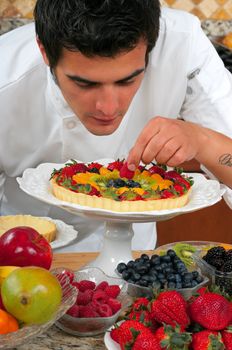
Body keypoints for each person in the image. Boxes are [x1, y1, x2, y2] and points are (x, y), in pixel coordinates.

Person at [0, 0, 232, 253]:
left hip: (135, 256)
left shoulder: (183, 44)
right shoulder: (6, 72)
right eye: (84, 84)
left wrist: (201, 139)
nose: (108, 108)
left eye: (127, 80)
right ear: (44, 51)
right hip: (24, 253)